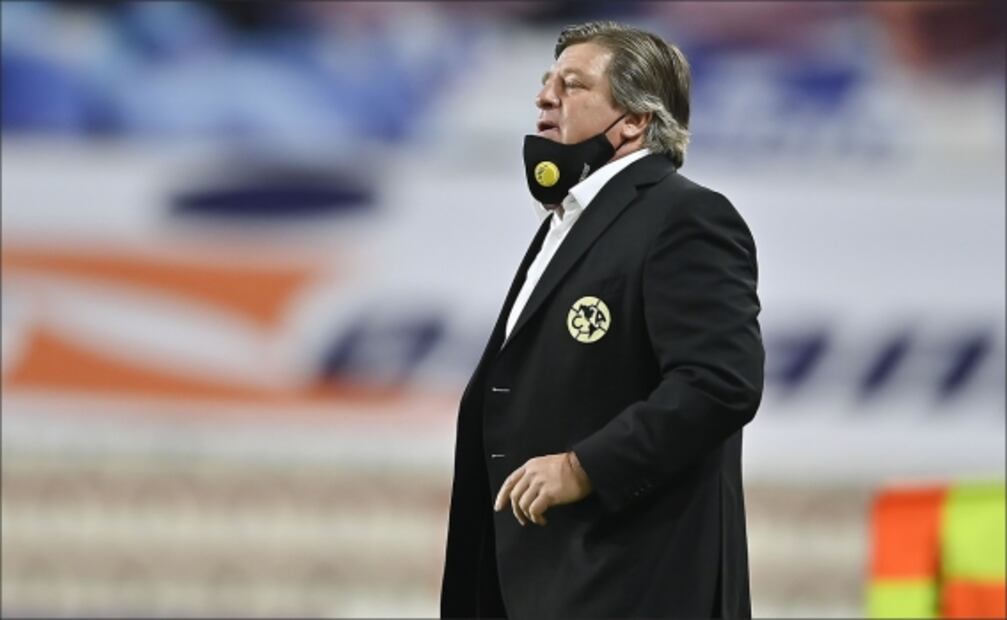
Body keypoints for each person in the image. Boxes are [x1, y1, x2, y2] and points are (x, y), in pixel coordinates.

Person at [441, 21, 764, 619]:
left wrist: (584, 467)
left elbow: (719, 384)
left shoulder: (685, 217)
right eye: (547, 82)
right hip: (542, 583)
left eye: (572, 84)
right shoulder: (567, 223)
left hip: (632, 585)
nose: (544, 97)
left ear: (635, 120)